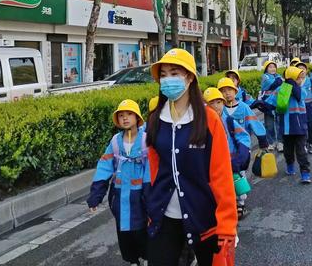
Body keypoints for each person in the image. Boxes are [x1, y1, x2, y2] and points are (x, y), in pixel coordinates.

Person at [146, 49, 237, 266]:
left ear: (189, 77)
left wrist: (227, 224)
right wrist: (151, 207)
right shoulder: (155, 119)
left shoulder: (209, 120)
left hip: (204, 218)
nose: (167, 79)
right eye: (164, 75)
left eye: (174, 73)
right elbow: (154, 169)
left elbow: (222, 176)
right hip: (164, 217)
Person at [87, 100, 150, 266]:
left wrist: (150, 193)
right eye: (121, 115)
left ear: (137, 117)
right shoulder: (115, 142)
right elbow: (104, 166)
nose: (125, 118)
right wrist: (96, 195)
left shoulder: (146, 140)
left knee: (142, 230)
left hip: (141, 196)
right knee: (124, 232)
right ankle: (132, 260)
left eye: (129, 114)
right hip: (120, 196)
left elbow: (153, 168)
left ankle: (147, 258)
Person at [203, 87, 251, 219]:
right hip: (215, 166)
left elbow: (243, 136)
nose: (216, 106)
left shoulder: (228, 120)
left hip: (233, 163)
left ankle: (239, 204)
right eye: (211, 103)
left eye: (219, 102)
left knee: (238, 188)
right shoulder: (202, 124)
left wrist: (242, 153)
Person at [272, 66, 312, 183]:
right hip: (286, 128)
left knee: (301, 152)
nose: (300, 81)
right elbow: (272, 101)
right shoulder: (280, 89)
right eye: (298, 78)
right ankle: (290, 165)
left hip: (300, 127)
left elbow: (300, 96)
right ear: (292, 78)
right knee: (288, 151)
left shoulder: (301, 89)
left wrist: (292, 84)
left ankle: (305, 173)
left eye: (301, 78)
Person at [296, 61, 312, 154]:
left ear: (306, 71)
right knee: (302, 127)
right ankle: (303, 144)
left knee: (311, 126)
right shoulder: (294, 82)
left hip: (310, 106)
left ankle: (311, 143)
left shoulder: (310, 80)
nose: (301, 71)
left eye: (303, 69)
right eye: (299, 69)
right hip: (298, 108)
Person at [260, 60, 283, 152]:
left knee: (279, 122)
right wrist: (280, 80)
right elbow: (273, 84)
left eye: (274, 67)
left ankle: (280, 142)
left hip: (278, 101)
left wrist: (280, 80)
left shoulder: (278, 76)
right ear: (266, 69)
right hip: (268, 103)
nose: (273, 69)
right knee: (269, 124)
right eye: (270, 67)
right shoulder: (265, 77)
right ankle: (271, 142)